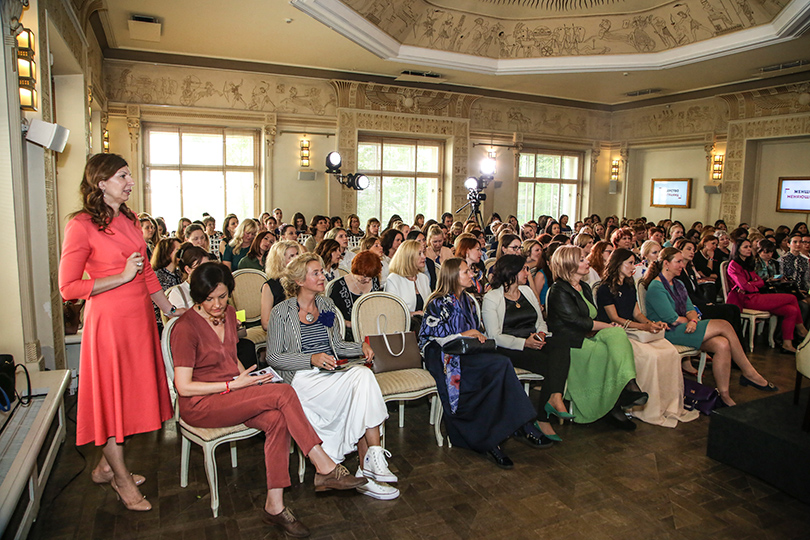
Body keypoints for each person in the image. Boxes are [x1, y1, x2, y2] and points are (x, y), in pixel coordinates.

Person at [170, 262, 366, 536]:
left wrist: (248, 378)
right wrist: (232, 384)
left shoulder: (226, 314)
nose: (216, 304)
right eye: (208, 299)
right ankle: (323, 465)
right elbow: (184, 387)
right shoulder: (185, 327)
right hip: (202, 404)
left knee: (277, 419)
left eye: (222, 296)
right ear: (197, 297)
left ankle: (274, 505)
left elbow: (230, 357)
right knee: (284, 392)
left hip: (232, 392)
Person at [59, 154, 181, 511]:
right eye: (122, 176)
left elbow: (145, 274)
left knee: (126, 398)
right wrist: (120, 277)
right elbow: (68, 288)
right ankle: (122, 480)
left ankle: (103, 466)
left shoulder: (129, 219)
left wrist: (171, 310)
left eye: (130, 175)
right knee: (112, 402)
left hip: (139, 320)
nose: (130, 182)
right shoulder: (80, 225)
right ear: (101, 182)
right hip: (109, 324)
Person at [266, 253, 399, 500]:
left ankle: (372, 459)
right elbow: (273, 357)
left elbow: (336, 344)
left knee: (363, 376)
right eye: (315, 273)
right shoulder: (281, 313)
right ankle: (368, 468)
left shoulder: (326, 306)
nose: (323, 276)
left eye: (321, 272)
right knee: (361, 384)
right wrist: (310, 359)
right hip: (301, 378)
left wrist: (361, 347)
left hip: (329, 372)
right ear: (299, 280)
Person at [419, 258, 550, 469]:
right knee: (494, 368)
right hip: (443, 354)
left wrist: (475, 336)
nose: (472, 274)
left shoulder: (470, 301)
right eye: (465, 272)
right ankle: (502, 436)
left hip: (467, 351)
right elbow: (433, 337)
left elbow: (477, 332)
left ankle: (514, 427)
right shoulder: (438, 301)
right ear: (453, 276)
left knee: (501, 364)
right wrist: (465, 334)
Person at [643, 247, 777, 406]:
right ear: (666, 263)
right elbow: (671, 319)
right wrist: (692, 320)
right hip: (668, 332)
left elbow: (690, 309)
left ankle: (724, 394)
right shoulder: (656, 287)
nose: (682, 265)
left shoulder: (678, 283)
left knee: (723, 344)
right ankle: (749, 372)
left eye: (682, 262)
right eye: (678, 262)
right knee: (724, 325)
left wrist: (693, 321)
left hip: (686, 327)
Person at [597, 249, 698, 427]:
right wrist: (644, 326)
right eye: (629, 263)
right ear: (618, 264)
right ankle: (643, 402)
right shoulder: (604, 288)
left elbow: (637, 312)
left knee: (669, 351)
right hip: (616, 332)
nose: (633, 267)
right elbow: (615, 318)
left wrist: (651, 323)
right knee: (651, 356)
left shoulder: (629, 285)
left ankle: (667, 404)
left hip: (633, 329)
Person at [546, 246, 644, 430]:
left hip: (587, 336)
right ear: (568, 264)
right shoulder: (558, 290)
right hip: (568, 342)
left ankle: (629, 385)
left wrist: (608, 328)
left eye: (585, 258)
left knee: (617, 333)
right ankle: (616, 403)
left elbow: (594, 317)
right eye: (582, 259)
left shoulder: (584, 286)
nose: (587, 261)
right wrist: (607, 326)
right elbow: (578, 322)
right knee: (605, 349)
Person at [482, 255, 571, 441]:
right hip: (510, 347)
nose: (527, 272)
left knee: (562, 342)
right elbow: (494, 336)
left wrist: (540, 335)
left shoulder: (527, 292)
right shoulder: (492, 298)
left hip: (534, 340)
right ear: (511, 272)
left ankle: (554, 398)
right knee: (551, 363)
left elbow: (541, 322)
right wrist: (525, 343)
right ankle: (543, 416)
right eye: (523, 269)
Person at [727, 238, 805, 353]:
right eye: (745, 247)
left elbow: (760, 281)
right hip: (745, 299)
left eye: (749, 246)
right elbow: (745, 286)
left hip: (755, 295)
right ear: (737, 249)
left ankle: (787, 344)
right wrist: (752, 284)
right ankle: (801, 330)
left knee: (791, 310)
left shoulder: (747, 263)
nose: (749, 249)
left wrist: (751, 284)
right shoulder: (733, 265)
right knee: (792, 298)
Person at [673, 238, 745, 362]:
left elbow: (697, 291)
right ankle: (735, 356)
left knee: (734, 309)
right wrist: (705, 303)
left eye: (693, 250)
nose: (692, 252)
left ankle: (738, 351)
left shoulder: (689, 269)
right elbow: (687, 296)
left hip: (698, 303)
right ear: (679, 251)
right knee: (727, 311)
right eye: (688, 249)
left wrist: (706, 301)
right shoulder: (677, 272)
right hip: (691, 308)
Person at [328, 251, 382, 341]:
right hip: (348, 332)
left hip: (373, 329)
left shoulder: (375, 281)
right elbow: (331, 315)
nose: (368, 280)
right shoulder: (339, 286)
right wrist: (349, 324)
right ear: (356, 270)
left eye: (371, 277)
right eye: (364, 277)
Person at [385, 240, 431, 331]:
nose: (424, 257)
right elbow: (392, 312)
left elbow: (429, 306)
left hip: (425, 325)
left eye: (423, 253)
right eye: (419, 254)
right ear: (408, 257)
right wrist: (414, 313)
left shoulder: (423, 278)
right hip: (404, 328)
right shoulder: (394, 279)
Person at [261, 240, 304, 330]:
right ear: (280, 261)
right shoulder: (269, 287)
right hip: (284, 330)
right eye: (291, 256)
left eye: (297, 254)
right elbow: (265, 323)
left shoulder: (303, 281)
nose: (297, 258)